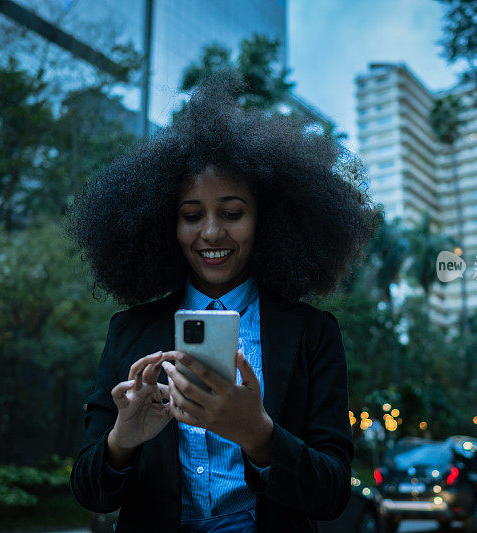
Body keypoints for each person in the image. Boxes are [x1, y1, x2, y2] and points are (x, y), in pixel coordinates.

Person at [68, 73, 376, 533]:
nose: (211, 233)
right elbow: (90, 492)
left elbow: (332, 494)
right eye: (192, 216)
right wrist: (122, 441)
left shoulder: (312, 333)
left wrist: (258, 434)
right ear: (165, 225)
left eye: (231, 213)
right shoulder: (129, 331)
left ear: (266, 221)